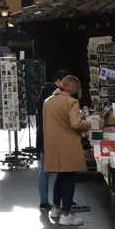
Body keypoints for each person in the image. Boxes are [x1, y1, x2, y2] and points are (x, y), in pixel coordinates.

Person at [42, 75, 90, 226]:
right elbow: (76, 124)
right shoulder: (72, 102)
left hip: (52, 144)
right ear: (75, 89)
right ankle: (66, 214)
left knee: (60, 176)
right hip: (68, 145)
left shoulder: (48, 101)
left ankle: (55, 208)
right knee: (69, 178)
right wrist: (89, 123)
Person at [35, 69, 70, 210]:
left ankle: (44, 201)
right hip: (54, 137)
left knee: (45, 170)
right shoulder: (55, 96)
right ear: (58, 81)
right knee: (63, 170)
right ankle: (60, 202)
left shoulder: (44, 94)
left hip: (44, 137)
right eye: (65, 82)